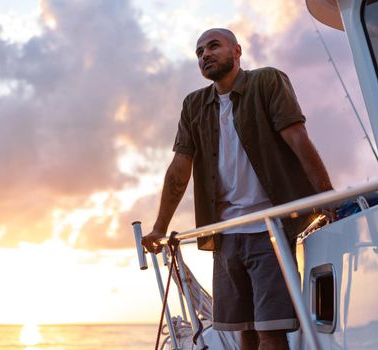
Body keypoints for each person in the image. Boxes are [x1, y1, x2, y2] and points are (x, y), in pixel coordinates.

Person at [142, 28, 333, 350]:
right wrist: (160, 227)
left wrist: (327, 196)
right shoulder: (194, 105)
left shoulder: (267, 81)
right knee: (241, 328)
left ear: (237, 50)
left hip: (269, 228)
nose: (205, 54)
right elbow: (180, 168)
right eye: (199, 51)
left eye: (213, 46)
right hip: (225, 233)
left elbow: (297, 138)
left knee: (270, 331)